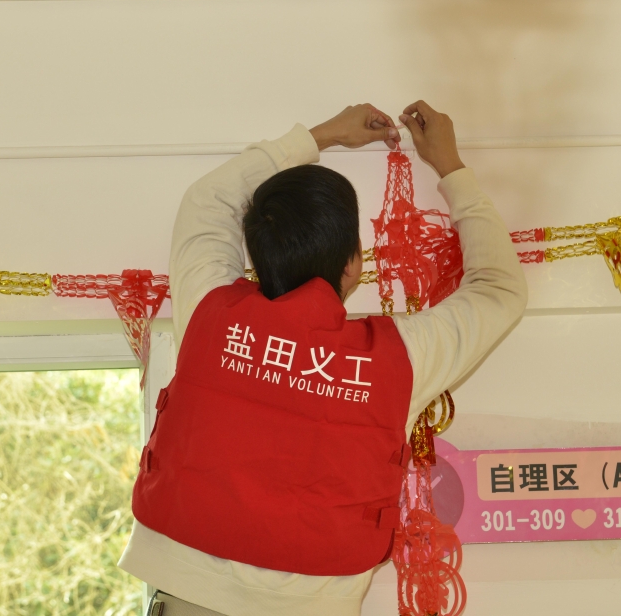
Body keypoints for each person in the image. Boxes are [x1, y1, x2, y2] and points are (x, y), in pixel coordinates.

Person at [119, 101, 527, 616]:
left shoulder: (208, 311)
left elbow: (209, 199)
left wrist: (323, 135)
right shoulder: (400, 358)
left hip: (186, 595)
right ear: (354, 264)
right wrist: (450, 167)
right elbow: (499, 291)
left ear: (255, 251)